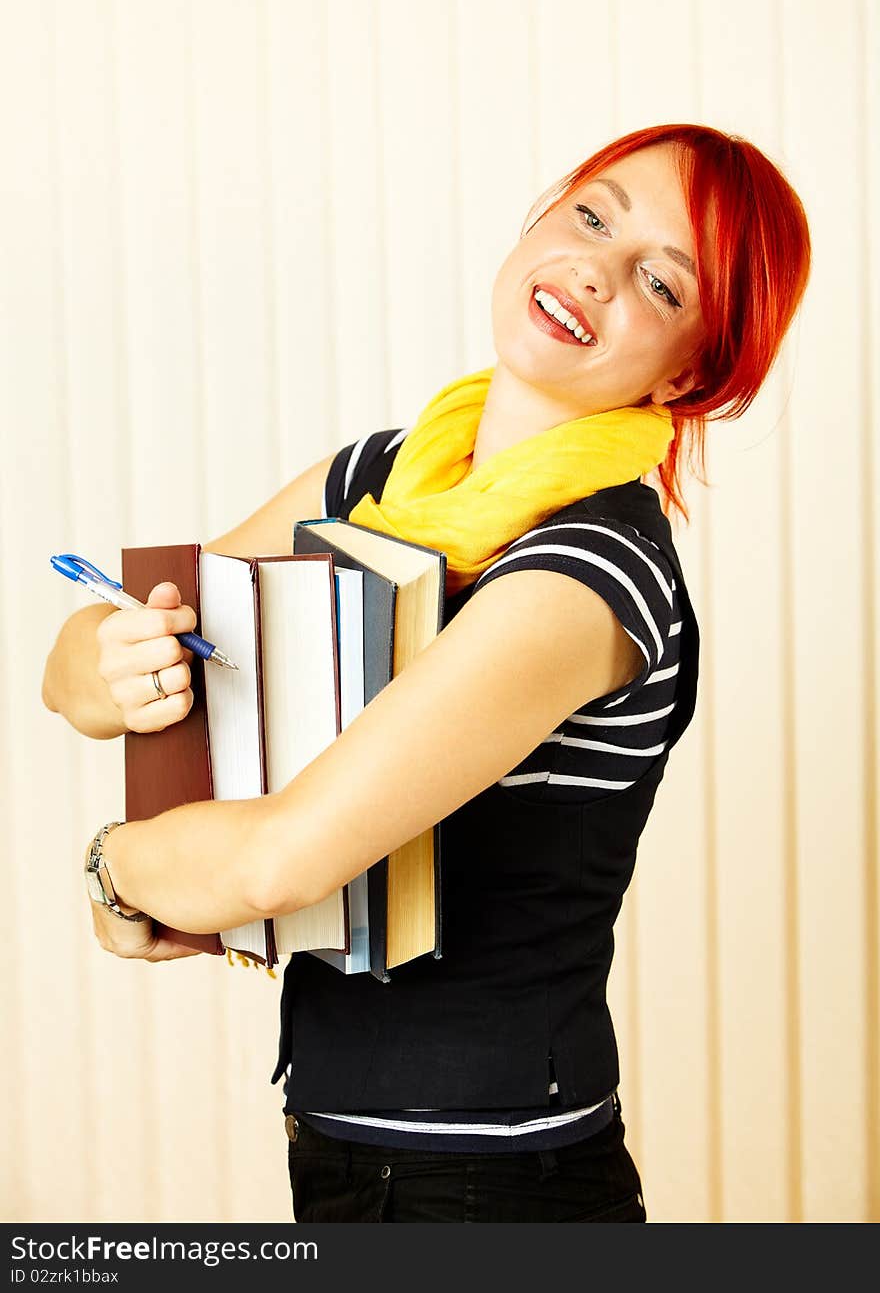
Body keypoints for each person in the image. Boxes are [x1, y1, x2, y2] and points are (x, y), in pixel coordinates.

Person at [42, 122, 811, 1223]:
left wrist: (114, 864)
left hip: (494, 1183)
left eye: (658, 280)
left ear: (691, 367)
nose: (596, 265)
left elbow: (279, 862)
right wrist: (101, 661)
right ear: (538, 221)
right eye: (592, 215)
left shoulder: (591, 574)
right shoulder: (379, 475)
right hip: (344, 1149)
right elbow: (108, 660)